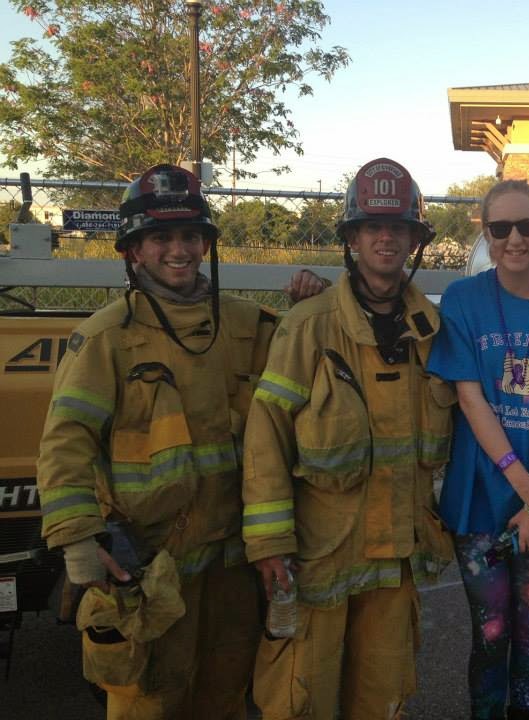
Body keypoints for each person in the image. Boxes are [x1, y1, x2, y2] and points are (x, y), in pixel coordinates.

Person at [36, 163, 326, 718]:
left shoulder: (247, 325)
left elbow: (312, 370)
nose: (179, 250)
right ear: (133, 251)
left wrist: (315, 303)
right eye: (161, 237)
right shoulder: (106, 338)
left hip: (232, 565)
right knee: (149, 700)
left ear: (205, 245)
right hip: (150, 570)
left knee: (226, 693)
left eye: (190, 236)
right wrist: (78, 538)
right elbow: (66, 442)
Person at [241, 157, 456, 719]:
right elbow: (266, 436)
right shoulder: (308, 326)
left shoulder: (431, 332)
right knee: (300, 699)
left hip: (397, 559)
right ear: (352, 239)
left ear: (415, 241)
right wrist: (270, 543)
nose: (386, 238)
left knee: (382, 700)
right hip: (320, 558)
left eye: (399, 228)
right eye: (372, 227)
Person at [427, 179, 529, 720]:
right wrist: (519, 482)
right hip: (480, 495)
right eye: (501, 228)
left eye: (527, 225)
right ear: (486, 233)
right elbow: (471, 398)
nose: (515, 240)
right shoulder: (463, 299)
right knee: (492, 630)